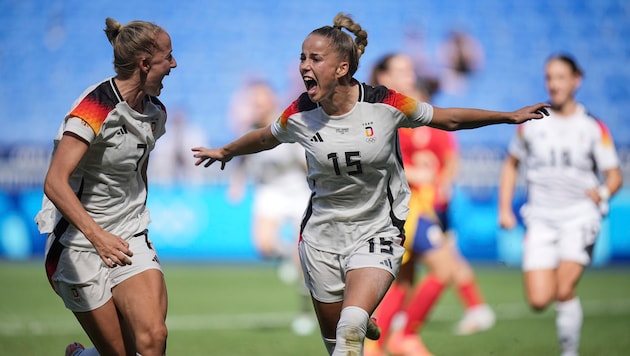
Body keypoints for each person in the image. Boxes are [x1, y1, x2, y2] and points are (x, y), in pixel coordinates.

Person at [192, 13, 549, 356]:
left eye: (314, 58)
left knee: (349, 330)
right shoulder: (300, 111)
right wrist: (226, 151)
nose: (304, 66)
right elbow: (266, 138)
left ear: (342, 67)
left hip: (377, 230)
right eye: (302, 58)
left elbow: (448, 118)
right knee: (337, 343)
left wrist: (508, 116)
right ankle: (362, 318)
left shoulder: (386, 103)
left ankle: (362, 318)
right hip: (321, 238)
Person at [35, 17, 177, 356]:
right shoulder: (96, 107)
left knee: (153, 339)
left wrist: (133, 220)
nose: (174, 64)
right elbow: (54, 182)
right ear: (145, 63)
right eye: (167, 57)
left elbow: (137, 174)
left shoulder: (155, 113)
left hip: (129, 235)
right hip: (79, 244)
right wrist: (98, 237)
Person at [366, 53, 495, 356]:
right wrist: (413, 172)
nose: (411, 74)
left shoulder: (408, 111)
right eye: (403, 69)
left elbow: (448, 151)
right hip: (397, 207)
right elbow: (369, 160)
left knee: (404, 279)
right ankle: (406, 335)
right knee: (444, 267)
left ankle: (375, 346)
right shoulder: (376, 112)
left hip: (418, 206)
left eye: (411, 69)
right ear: (384, 77)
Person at [498, 54, 622, 356]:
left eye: (560, 77)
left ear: (576, 80)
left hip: (579, 217)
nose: (554, 84)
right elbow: (511, 164)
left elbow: (614, 175)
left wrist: (603, 193)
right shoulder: (531, 123)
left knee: (564, 289)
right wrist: (504, 209)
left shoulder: (593, 127)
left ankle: (570, 352)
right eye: (549, 77)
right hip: (540, 218)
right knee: (540, 300)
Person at [226, 79, 316, 335]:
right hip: (269, 191)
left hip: (298, 191)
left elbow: (304, 158)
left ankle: (305, 312)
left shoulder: (286, 124)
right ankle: (286, 255)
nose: (256, 104)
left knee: (303, 262)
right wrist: (237, 183)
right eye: (253, 100)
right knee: (263, 246)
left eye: (260, 99)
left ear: (271, 100)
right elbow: (241, 155)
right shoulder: (249, 127)